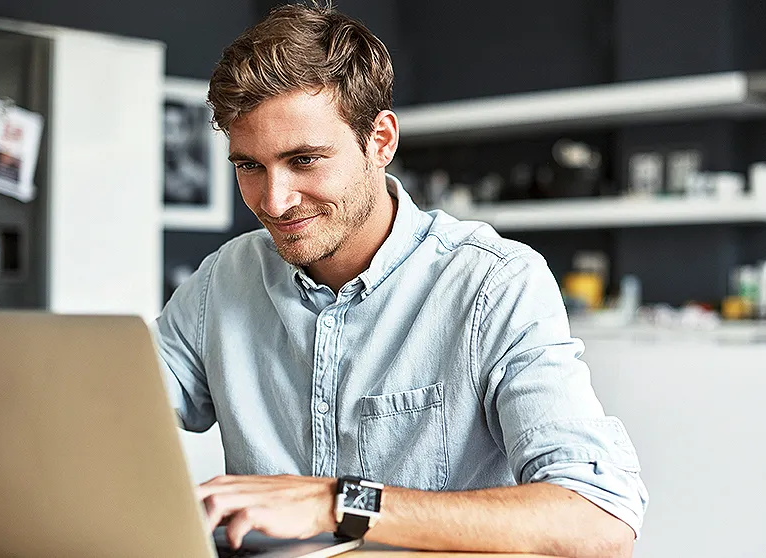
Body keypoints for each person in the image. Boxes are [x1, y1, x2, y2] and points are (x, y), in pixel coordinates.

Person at [152, 3, 648, 557]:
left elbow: (598, 520)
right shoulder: (225, 279)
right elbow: (113, 405)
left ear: (380, 141)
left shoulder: (493, 284)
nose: (274, 201)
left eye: (306, 160)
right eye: (249, 166)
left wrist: (337, 503)